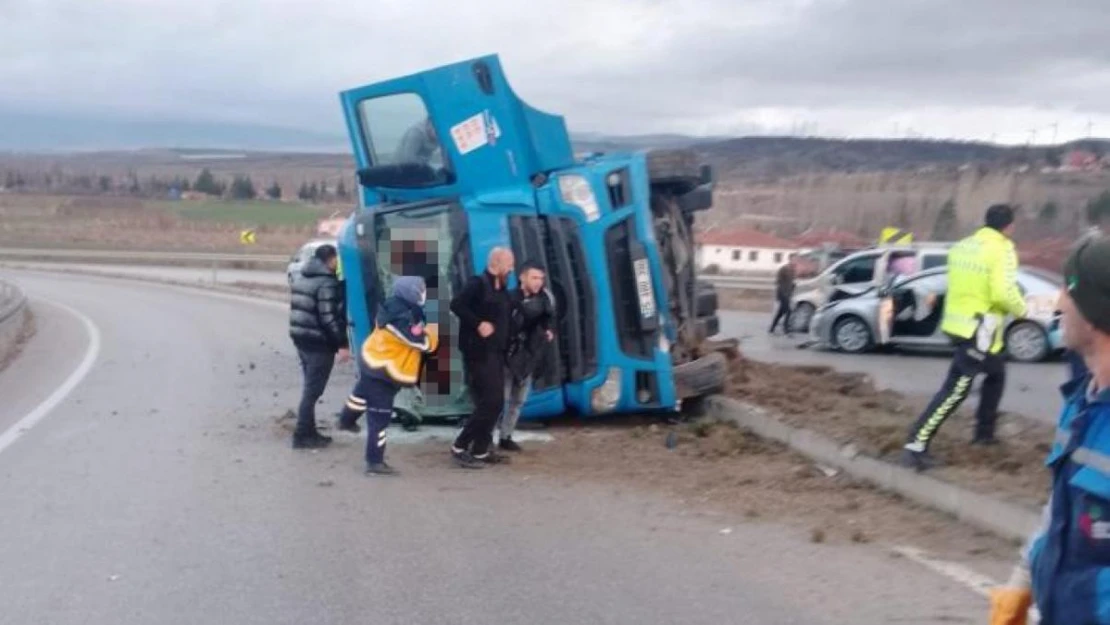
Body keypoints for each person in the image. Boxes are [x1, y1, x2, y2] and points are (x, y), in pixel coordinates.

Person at [988, 236, 1110, 625]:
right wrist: (1020, 582)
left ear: (1094, 313)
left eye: (1067, 292)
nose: (1058, 304)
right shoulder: (1081, 404)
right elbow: (1058, 511)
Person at [902, 204, 1027, 471]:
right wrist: (1023, 308)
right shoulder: (1002, 249)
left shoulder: (963, 246)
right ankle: (916, 444)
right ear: (1009, 227)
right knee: (956, 390)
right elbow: (1002, 293)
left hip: (960, 325)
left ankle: (984, 435)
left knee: (996, 374)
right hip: (978, 329)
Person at [335, 276, 438, 476]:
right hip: (384, 370)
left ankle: (345, 421)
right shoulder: (400, 318)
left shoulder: (395, 306)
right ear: (411, 292)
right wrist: (432, 332)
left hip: (373, 361)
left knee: (361, 393)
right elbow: (421, 343)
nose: (424, 292)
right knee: (379, 418)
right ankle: (375, 462)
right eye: (422, 289)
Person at [449, 247, 515, 469]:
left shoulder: (502, 286)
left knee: (495, 404)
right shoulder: (477, 283)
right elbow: (456, 304)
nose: (512, 268)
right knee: (491, 401)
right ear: (495, 263)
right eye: (509, 264)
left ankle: (480, 450)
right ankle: (460, 445)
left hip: (496, 352)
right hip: (478, 352)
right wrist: (478, 323)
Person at [288, 244, 350, 449]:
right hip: (318, 343)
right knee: (312, 391)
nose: (337, 263)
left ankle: (309, 431)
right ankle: (301, 435)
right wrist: (342, 343)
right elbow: (328, 317)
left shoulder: (302, 277)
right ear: (330, 259)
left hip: (301, 339)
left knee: (310, 387)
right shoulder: (326, 282)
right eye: (336, 259)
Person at [499, 261, 555, 452]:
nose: (538, 282)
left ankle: (506, 436)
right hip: (507, 356)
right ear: (523, 277)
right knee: (499, 400)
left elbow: (547, 323)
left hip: (528, 356)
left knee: (518, 400)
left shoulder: (545, 300)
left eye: (541, 278)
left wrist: (546, 331)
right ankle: (485, 439)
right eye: (534, 277)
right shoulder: (509, 298)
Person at [769, 257, 796, 336]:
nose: (794, 261)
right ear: (790, 260)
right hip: (782, 293)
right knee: (788, 311)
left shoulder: (793, 270)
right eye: (793, 260)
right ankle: (786, 329)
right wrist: (780, 293)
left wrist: (792, 289)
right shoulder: (783, 269)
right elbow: (778, 281)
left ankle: (772, 328)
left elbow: (792, 282)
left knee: (780, 312)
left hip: (788, 293)